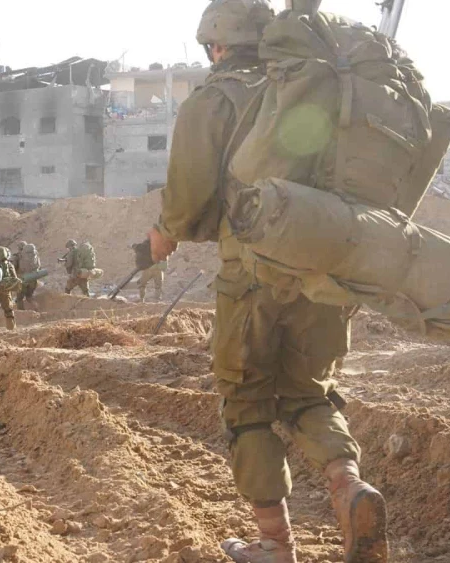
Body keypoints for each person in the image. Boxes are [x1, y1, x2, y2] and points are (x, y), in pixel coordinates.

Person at [145, 1, 388, 561]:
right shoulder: (318, 88)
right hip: (327, 273)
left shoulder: (215, 99)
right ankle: (350, 486)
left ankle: (274, 546)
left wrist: (161, 237)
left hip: (252, 278)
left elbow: (184, 205)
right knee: (309, 393)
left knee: (249, 405)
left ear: (217, 45)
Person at [12, 240, 41, 310]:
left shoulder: (18, 256)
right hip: (33, 279)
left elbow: (13, 268)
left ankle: (22, 314)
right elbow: (39, 266)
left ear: (19, 248)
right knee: (29, 296)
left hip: (23, 280)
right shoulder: (34, 254)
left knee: (19, 298)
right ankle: (37, 308)